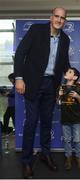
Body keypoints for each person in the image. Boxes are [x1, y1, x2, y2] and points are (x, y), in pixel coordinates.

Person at [14, 7, 70, 179]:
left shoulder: (66, 39)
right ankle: (26, 162)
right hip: (33, 84)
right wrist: (19, 78)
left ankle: (46, 154)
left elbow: (64, 63)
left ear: (65, 21)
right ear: (51, 17)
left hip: (51, 85)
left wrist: (71, 78)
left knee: (47, 123)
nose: (59, 20)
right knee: (31, 123)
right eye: (56, 16)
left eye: (62, 18)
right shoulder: (36, 30)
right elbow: (21, 53)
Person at [57, 67, 80, 170]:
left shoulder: (79, 88)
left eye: (70, 72)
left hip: (76, 119)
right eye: (67, 71)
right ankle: (68, 158)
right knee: (67, 140)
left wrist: (77, 96)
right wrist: (59, 96)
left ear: (75, 77)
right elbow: (58, 104)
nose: (66, 72)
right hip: (65, 119)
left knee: (77, 140)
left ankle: (78, 158)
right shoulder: (61, 87)